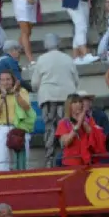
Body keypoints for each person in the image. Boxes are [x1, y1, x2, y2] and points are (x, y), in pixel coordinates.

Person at [31, 33, 80, 167]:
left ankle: (49, 160)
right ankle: (67, 156)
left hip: (48, 97)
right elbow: (76, 81)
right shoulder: (68, 58)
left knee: (49, 128)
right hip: (67, 98)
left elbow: (34, 84)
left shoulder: (41, 59)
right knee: (66, 127)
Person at [0, 70, 35, 171]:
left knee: (22, 162)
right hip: (1, 128)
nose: (5, 82)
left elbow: (26, 107)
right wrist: (3, 97)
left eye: (8, 79)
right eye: (2, 80)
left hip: (19, 128)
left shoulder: (22, 91)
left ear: (13, 80)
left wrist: (16, 94)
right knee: (2, 162)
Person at [79, 90, 109, 163]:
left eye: (87, 100)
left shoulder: (101, 115)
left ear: (90, 102)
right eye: (81, 101)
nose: (85, 103)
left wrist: (97, 135)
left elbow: (108, 133)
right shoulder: (74, 118)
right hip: (80, 152)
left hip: (98, 151)